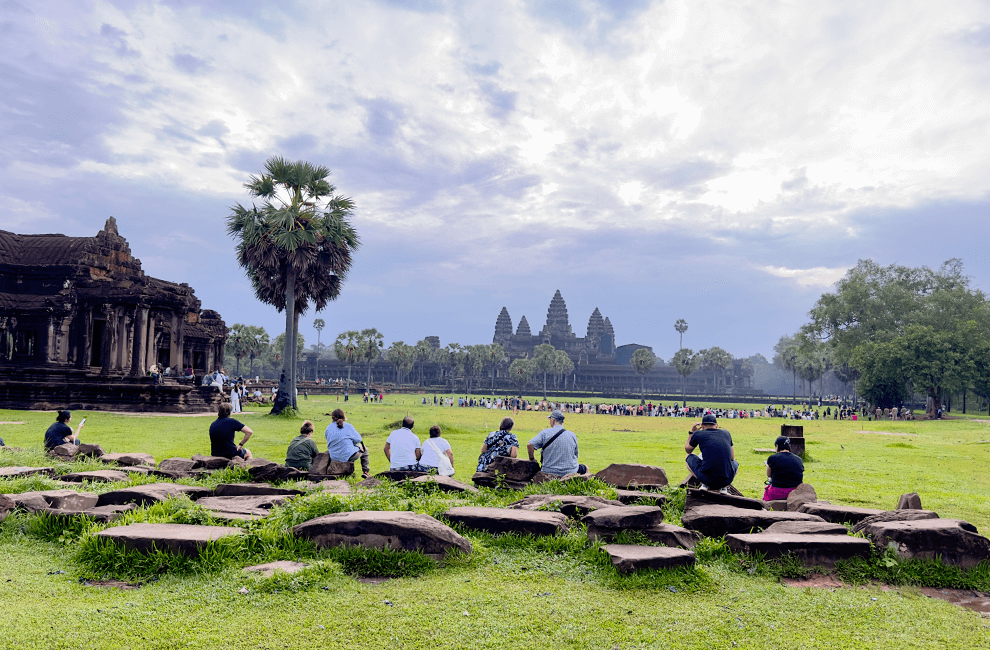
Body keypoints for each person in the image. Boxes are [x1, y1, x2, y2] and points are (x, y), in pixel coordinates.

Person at [684, 413, 738, 493]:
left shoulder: (698, 434)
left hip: (707, 479)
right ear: (716, 425)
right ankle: (724, 488)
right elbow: (732, 458)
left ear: (702, 426)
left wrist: (692, 432)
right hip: (726, 480)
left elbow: (688, 450)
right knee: (735, 463)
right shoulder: (726, 433)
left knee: (688, 457)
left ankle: (704, 484)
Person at [527, 410, 585, 477]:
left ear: (553, 420)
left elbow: (530, 445)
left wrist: (532, 458)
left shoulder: (545, 433)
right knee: (585, 468)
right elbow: (575, 455)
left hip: (548, 471)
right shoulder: (572, 435)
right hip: (570, 471)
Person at [325, 408, 370, 478]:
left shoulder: (328, 428)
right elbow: (359, 439)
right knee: (364, 449)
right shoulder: (348, 426)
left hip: (334, 456)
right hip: (348, 456)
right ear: (343, 416)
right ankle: (366, 471)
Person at [763, 435, 804, 500]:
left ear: (777, 446)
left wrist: (768, 466)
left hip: (777, 492)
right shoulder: (799, 459)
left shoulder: (772, 458)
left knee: (768, 487)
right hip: (795, 492)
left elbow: (769, 475)